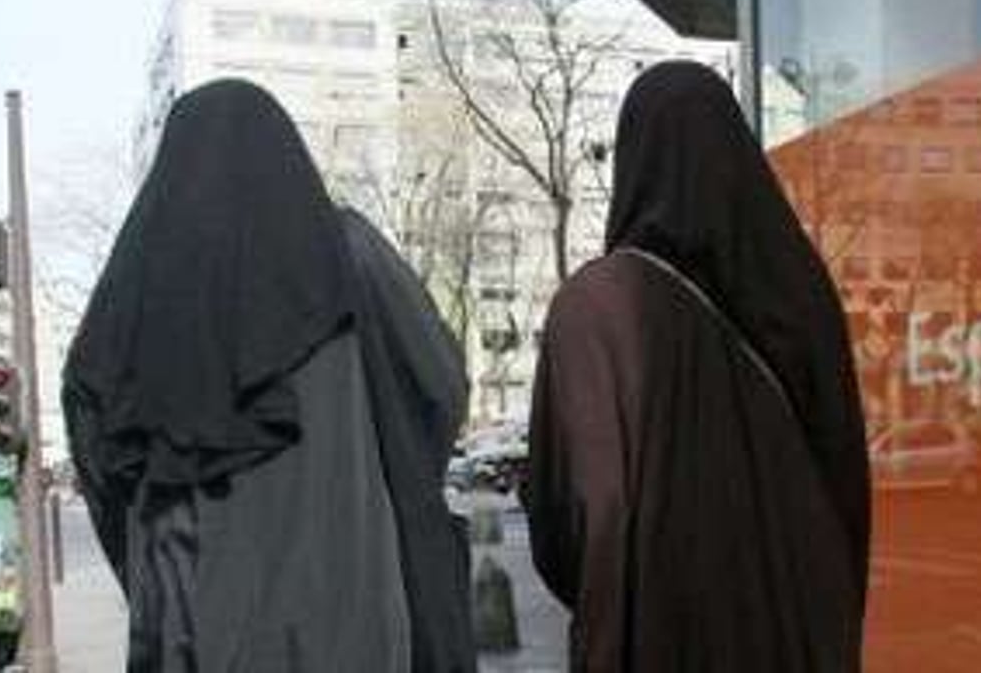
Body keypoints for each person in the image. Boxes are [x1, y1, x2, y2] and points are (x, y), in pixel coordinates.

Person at [63, 79, 475, 673]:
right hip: (351, 618)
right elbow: (440, 388)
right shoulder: (350, 256)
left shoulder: (130, 299)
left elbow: (101, 467)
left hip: (189, 634)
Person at [526, 61, 871, 672]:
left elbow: (574, 523)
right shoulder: (800, 291)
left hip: (666, 639)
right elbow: (846, 487)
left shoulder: (602, 307)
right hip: (804, 633)